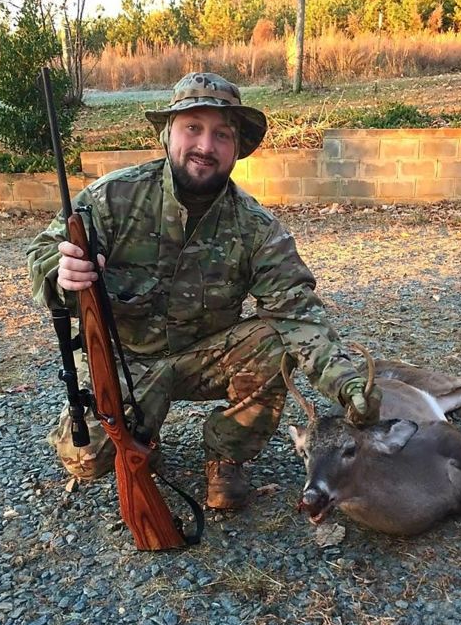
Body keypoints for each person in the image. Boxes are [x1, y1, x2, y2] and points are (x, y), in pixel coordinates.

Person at [27, 72, 380, 511]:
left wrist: (347, 383)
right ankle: (141, 436)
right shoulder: (112, 198)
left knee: (275, 340)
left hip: (205, 358)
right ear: (167, 134)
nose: (205, 146)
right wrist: (61, 271)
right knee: (85, 458)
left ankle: (226, 457)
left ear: (237, 147)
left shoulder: (256, 227)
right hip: (124, 360)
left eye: (222, 134)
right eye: (192, 127)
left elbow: (297, 311)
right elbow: (43, 251)